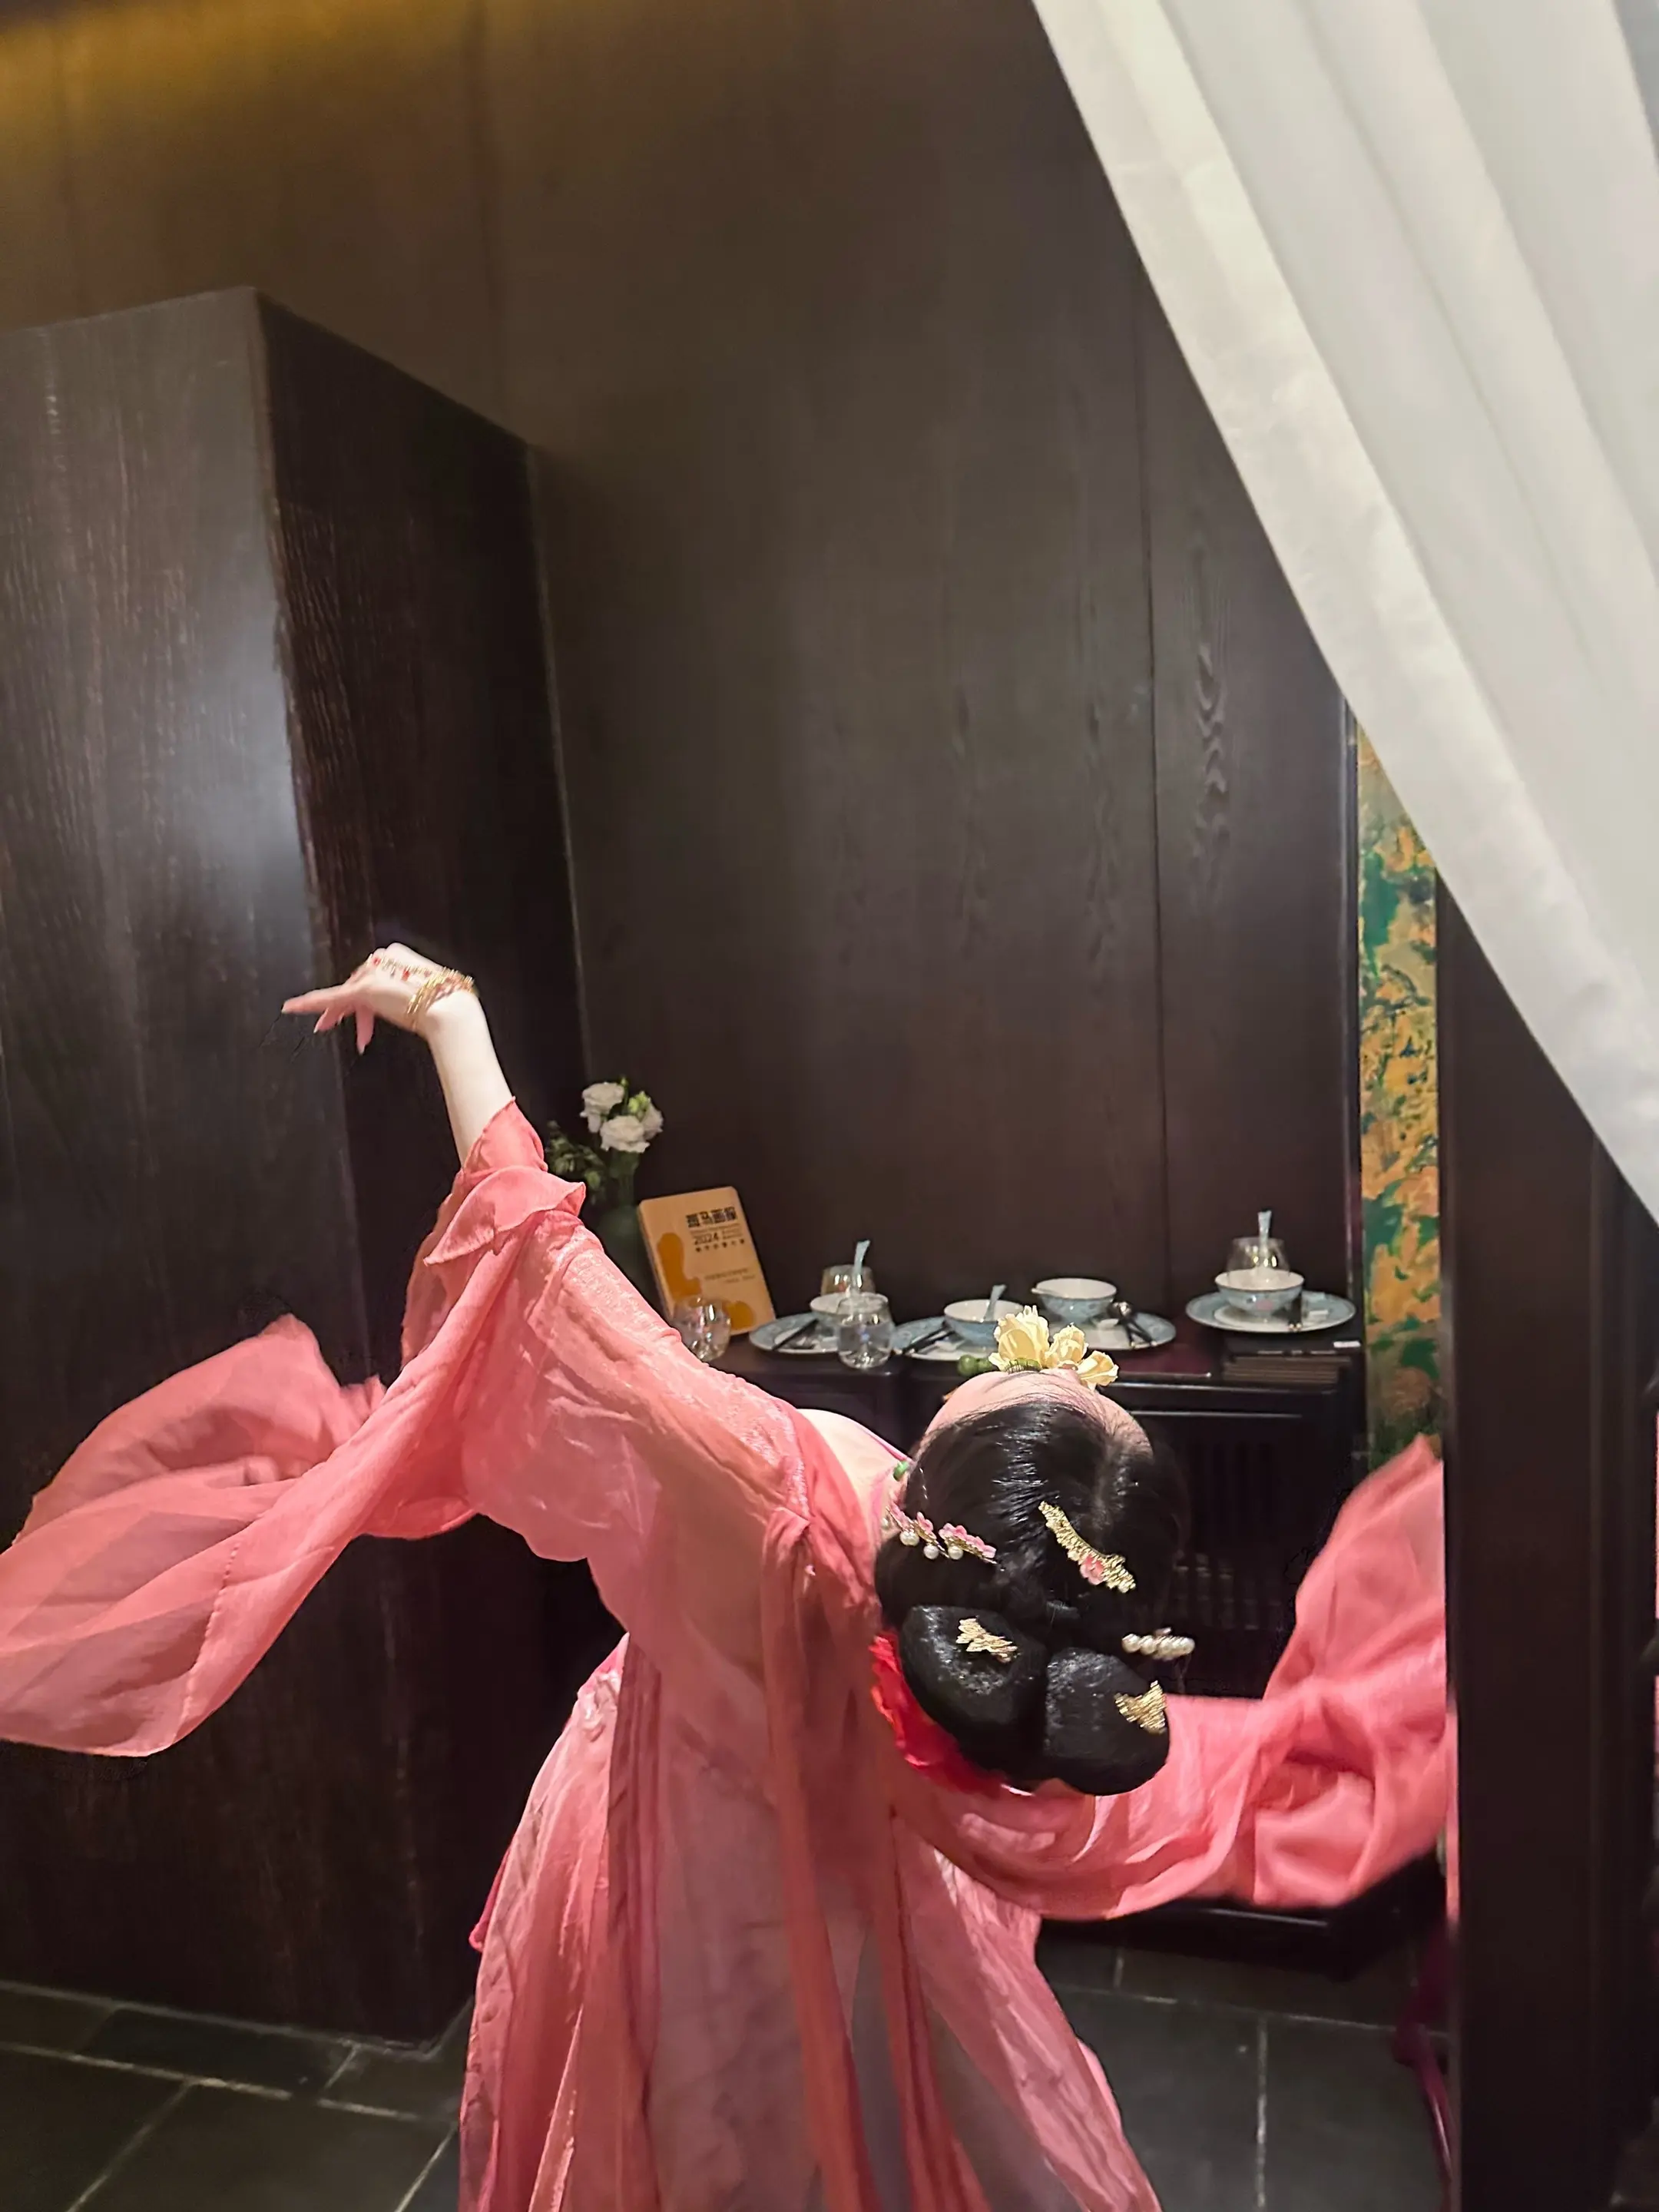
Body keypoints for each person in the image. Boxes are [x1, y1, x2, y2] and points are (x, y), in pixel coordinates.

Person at [0, 949, 1449, 2212]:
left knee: (686, 2108)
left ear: (951, 1476)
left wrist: (449, 1017)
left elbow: (547, 1266)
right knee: (868, 2102)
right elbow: (1214, 1778)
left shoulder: (769, 1483)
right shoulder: (998, 1674)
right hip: (858, 1880)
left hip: (666, 1843)